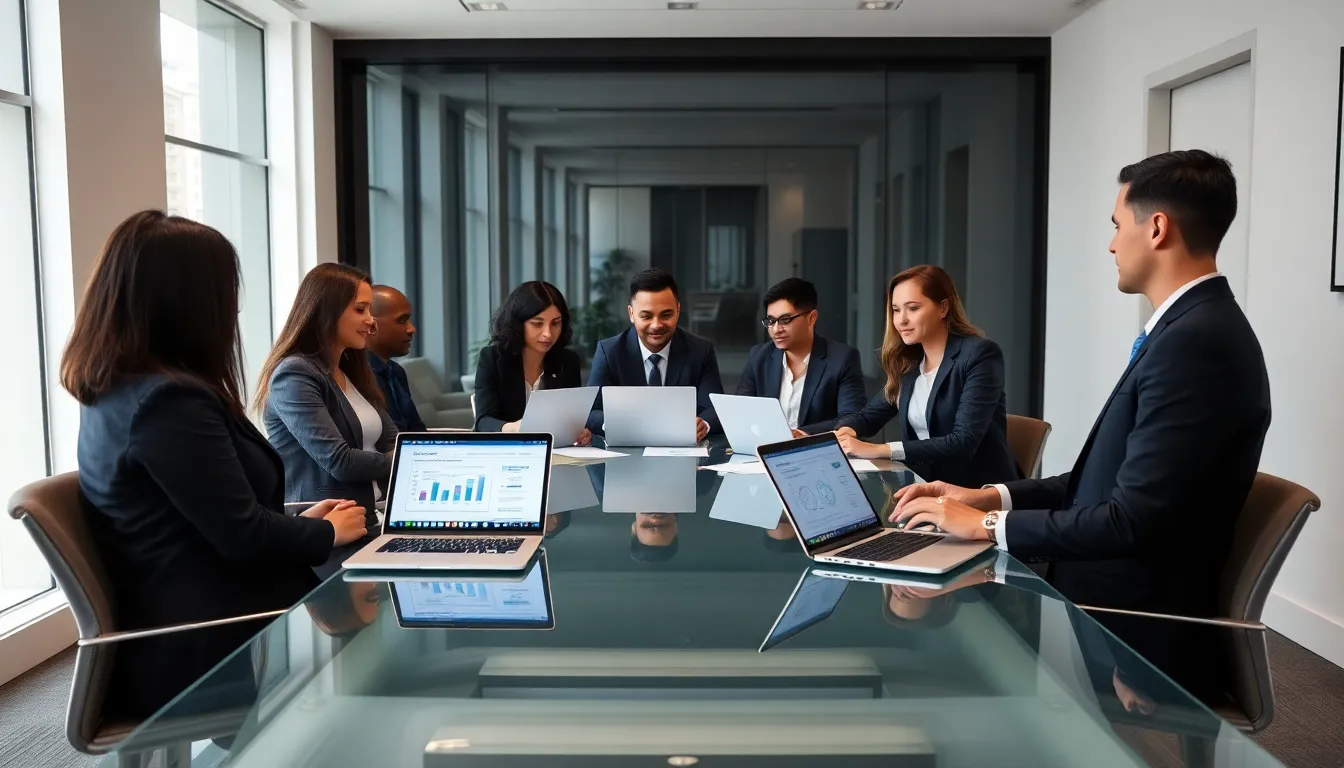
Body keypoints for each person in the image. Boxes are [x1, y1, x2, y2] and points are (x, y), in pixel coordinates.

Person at [891, 149, 1271, 626]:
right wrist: (989, 498)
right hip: (1098, 594)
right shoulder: (1189, 328)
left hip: (1132, 629)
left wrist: (986, 526)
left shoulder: (1196, 343)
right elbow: (1105, 482)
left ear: (1156, 229)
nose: (1112, 245)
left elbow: (1132, 520)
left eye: (1116, 226)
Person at [63, 211, 368, 717]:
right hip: (211, 642)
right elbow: (241, 535)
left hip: (208, 611)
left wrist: (300, 523)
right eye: (226, 290)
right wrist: (323, 534)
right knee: (383, 656)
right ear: (191, 302)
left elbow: (208, 517)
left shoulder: (124, 389)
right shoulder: (168, 402)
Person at [254, 263, 395, 573]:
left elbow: (392, 440)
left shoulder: (349, 371)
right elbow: (340, 462)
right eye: (360, 310)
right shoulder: (294, 374)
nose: (371, 320)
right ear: (327, 311)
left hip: (375, 524)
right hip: (331, 537)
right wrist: (407, 461)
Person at [834, 265, 1020, 489]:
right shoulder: (911, 364)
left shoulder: (979, 354)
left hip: (976, 492)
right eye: (895, 310)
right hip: (924, 486)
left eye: (912, 308)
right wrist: (846, 431)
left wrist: (880, 449)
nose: (901, 320)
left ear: (943, 308)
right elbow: (868, 417)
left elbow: (963, 442)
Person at [586, 268, 725, 440]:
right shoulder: (609, 352)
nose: (656, 325)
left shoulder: (700, 350)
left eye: (666, 315)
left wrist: (704, 424)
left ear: (678, 310)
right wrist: (617, 424)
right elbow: (590, 412)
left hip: (684, 455)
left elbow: (714, 408)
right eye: (646, 316)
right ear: (631, 314)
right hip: (627, 455)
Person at [735, 277, 867, 436]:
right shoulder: (759, 357)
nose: (776, 329)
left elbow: (852, 418)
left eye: (785, 320)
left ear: (812, 318)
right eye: (771, 321)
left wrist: (800, 434)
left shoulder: (842, 359)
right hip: (764, 450)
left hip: (817, 452)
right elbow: (741, 412)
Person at [473, 280, 590, 446]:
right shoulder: (492, 359)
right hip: (505, 454)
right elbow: (483, 422)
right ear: (518, 324)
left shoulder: (567, 362)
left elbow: (571, 420)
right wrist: (514, 428)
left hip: (555, 456)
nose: (548, 334)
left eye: (555, 323)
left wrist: (580, 432)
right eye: (537, 324)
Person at [366, 284, 427, 433]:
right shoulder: (357, 375)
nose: (411, 329)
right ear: (371, 324)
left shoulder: (396, 371)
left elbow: (415, 429)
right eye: (401, 320)